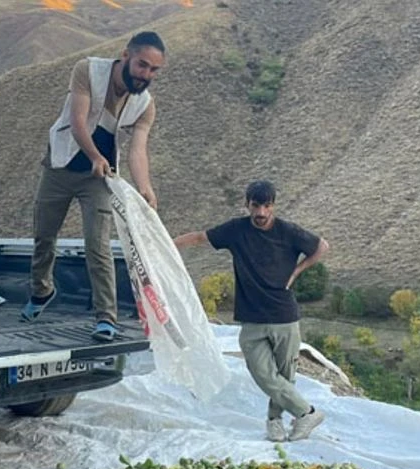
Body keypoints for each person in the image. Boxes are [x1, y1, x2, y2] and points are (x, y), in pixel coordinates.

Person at [23, 30, 167, 342]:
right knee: (44, 236)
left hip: (100, 178)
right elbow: (78, 122)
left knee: (98, 246)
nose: (146, 75)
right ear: (126, 55)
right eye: (142, 65)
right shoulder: (88, 70)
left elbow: (138, 150)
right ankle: (41, 291)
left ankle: (106, 318)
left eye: (154, 70)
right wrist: (94, 156)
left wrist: (145, 187)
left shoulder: (145, 105)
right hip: (61, 165)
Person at [173, 180, 329, 442]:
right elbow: (200, 237)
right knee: (263, 374)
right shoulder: (236, 230)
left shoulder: (288, 231)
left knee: (285, 376)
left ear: (273, 206)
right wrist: (163, 243)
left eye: (266, 206)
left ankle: (275, 422)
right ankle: (307, 413)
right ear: (247, 205)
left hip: (284, 316)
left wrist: (297, 272)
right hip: (252, 318)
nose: (261, 212)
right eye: (256, 206)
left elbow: (322, 246)